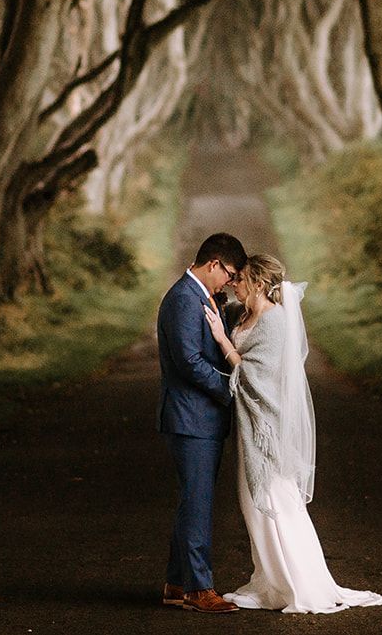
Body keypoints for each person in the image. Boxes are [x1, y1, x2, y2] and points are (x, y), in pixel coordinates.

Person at [203, 254, 382, 614]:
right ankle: (272, 581)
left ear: (260, 283)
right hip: (248, 423)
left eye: (241, 278)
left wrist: (222, 341)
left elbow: (257, 376)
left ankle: (300, 583)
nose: (235, 283)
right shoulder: (245, 314)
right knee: (253, 506)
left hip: (267, 426)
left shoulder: (275, 322)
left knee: (278, 503)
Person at [156, 232, 248, 614]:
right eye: (228, 273)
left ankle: (177, 584)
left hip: (201, 419)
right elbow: (189, 363)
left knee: (192, 502)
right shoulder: (182, 299)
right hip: (190, 418)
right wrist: (234, 389)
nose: (229, 281)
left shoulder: (204, 296)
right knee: (198, 505)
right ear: (213, 264)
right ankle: (198, 589)